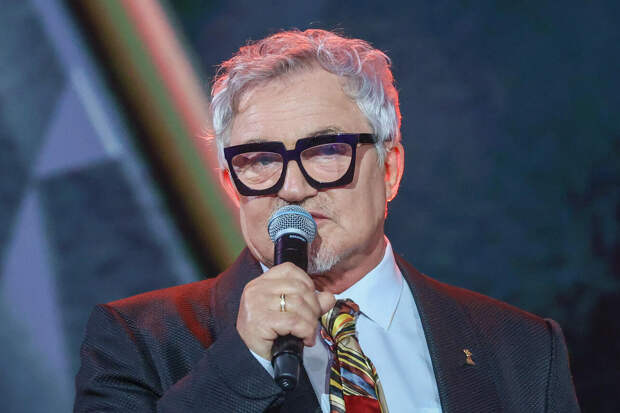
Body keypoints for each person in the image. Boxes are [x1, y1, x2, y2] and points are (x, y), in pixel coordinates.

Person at [74, 29, 580, 412]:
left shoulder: (522, 347)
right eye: (261, 160)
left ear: (389, 169)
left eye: (326, 151)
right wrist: (245, 362)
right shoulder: (138, 340)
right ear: (231, 185)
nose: (293, 188)